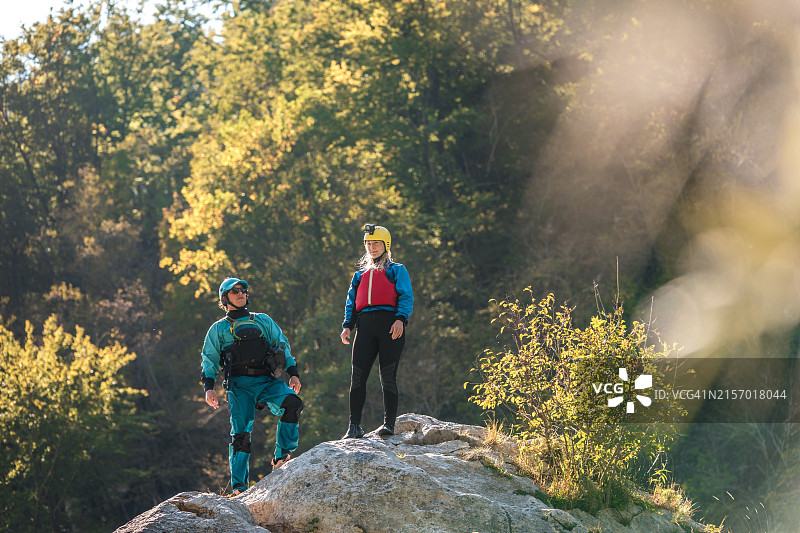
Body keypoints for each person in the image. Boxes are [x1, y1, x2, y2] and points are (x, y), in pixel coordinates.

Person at [201, 277, 303, 495]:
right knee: (241, 435)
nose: (241, 293)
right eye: (235, 291)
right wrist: (208, 388)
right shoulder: (218, 329)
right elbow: (208, 360)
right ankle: (239, 488)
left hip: (268, 382)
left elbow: (283, 346)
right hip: (239, 387)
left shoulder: (263, 321)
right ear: (224, 298)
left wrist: (293, 373)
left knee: (293, 403)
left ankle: (281, 456)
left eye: (243, 290)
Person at [340, 224, 413, 439]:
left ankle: (388, 425)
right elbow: (351, 303)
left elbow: (406, 296)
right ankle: (354, 427)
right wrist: (347, 325)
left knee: (387, 377)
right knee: (357, 377)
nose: (371, 247)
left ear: (386, 245)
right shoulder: (359, 275)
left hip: (390, 326)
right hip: (364, 327)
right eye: (368, 244)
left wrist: (400, 320)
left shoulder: (396, 270)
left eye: (376, 243)